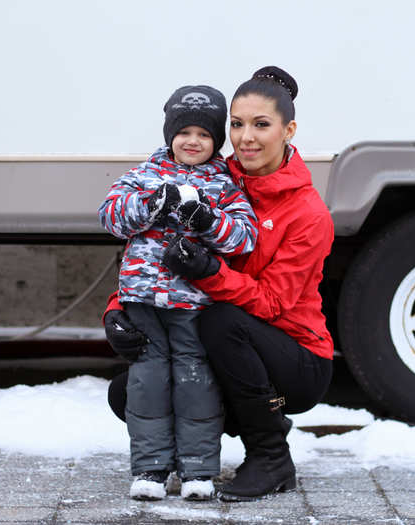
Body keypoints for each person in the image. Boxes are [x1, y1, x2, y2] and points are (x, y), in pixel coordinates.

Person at [104, 66, 334, 501]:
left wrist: (208, 271)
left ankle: (271, 456)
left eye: (261, 125)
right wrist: (117, 308)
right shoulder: (212, 175)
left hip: (295, 355)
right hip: (231, 344)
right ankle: (171, 462)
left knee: (221, 323)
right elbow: (151, 248)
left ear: (289, 130)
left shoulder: (308, 214)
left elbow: (269, 304)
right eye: (237, 124)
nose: (246, 137)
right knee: (131, 390)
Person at [98, 85, 258, 501]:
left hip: (192, 303)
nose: (192, 141)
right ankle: (150, 470)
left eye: (204, 134)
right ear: (170, 133)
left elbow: (244, 237)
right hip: (143, 301)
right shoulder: (145, 175)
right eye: (184, 132)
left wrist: (206, 219)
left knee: (195, 380)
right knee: (148, 381)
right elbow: (111, 215)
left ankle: (198, 471)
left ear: (216, 140)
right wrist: (151, 204)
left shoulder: (223, 183)